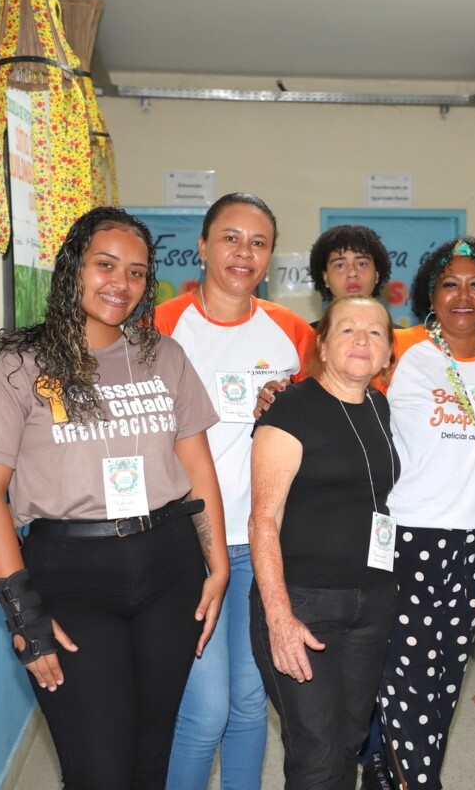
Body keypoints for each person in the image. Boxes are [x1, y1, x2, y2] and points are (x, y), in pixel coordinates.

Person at [0, 207, 229, 789]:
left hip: (170, 569)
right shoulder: (14, 368)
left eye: (135, 272)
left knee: (151, 761)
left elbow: (197, 465)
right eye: (105, 265)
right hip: (70, 578)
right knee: (98, 770)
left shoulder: (164, 357)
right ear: (73, 268)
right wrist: (23, 614)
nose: (119, 283)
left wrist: (219, 564)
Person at [158, 192, 315, 790]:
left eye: (258, 242)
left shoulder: (293, 333)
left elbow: (323, 427)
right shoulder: (160, 326)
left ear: (270, 256)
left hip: (261, 543)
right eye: (229, 238)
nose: (242, 252)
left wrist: (290, 411)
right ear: (201, 246)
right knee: (205, 711)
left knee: (251, 705)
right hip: (184, 543)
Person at [375, 238, 475, 788]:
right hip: (410, 535)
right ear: (430, 294)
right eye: (450, 284)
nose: (464, 296)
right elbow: (335, 386)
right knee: (407, 676)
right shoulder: (400, 348)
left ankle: (404, 778)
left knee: (446, 678)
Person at [249, 295, 400, 789]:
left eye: (375, 332)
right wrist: (279, 618)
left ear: (388, 354)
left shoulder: (379, 406)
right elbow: (263, 519)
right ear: (323, 343)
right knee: (315, 754)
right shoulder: (291, 408)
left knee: (349, 741)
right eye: (348, 329)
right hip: (303, 605)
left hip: (370, 603)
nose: (362, 340)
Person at [308, 224, 392, 325]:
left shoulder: (399, 338)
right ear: (325, 277)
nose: (352, 273)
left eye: (361, 264)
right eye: (340, 266)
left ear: (377, 275)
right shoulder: (307, 337)